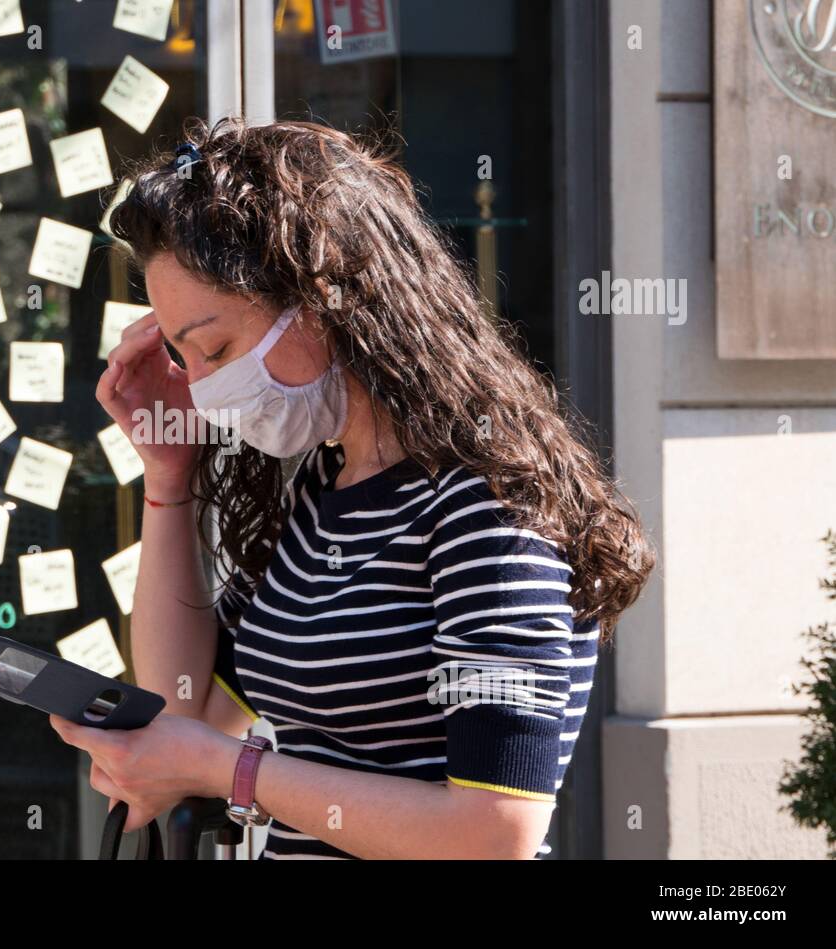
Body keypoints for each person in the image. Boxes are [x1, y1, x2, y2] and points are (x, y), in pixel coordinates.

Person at [48, 116, 655, 860]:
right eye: (184, 356)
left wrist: (227, 769)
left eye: (215, 348)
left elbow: (494, 831)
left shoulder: (488, 504)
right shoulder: (318, 488)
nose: (202, 390)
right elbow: (189, 707)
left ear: (327, 295)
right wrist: (169, 478)